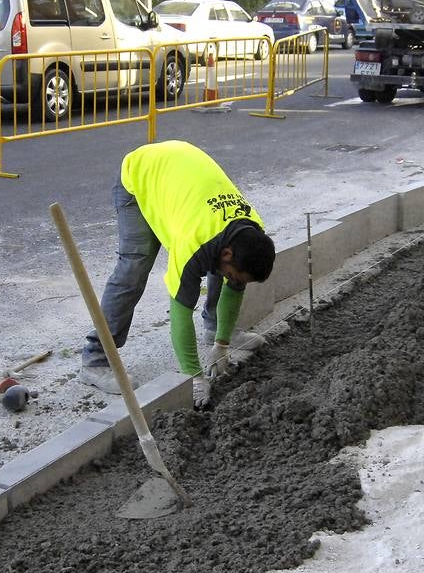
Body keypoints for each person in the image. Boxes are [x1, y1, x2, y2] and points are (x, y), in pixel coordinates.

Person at [79, 140, 276, 407]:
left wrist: (222, 343)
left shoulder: (250, 230)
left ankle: (213, 328)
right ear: (229, 254)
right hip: (141, 177)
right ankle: (95, 358)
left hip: (179, 181)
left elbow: (234, 285)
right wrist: (194, 376)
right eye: (237, 277)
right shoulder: (195, 242)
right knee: (134, 268)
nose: (236, 282)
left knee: (224, 270)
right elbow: (180, 309)